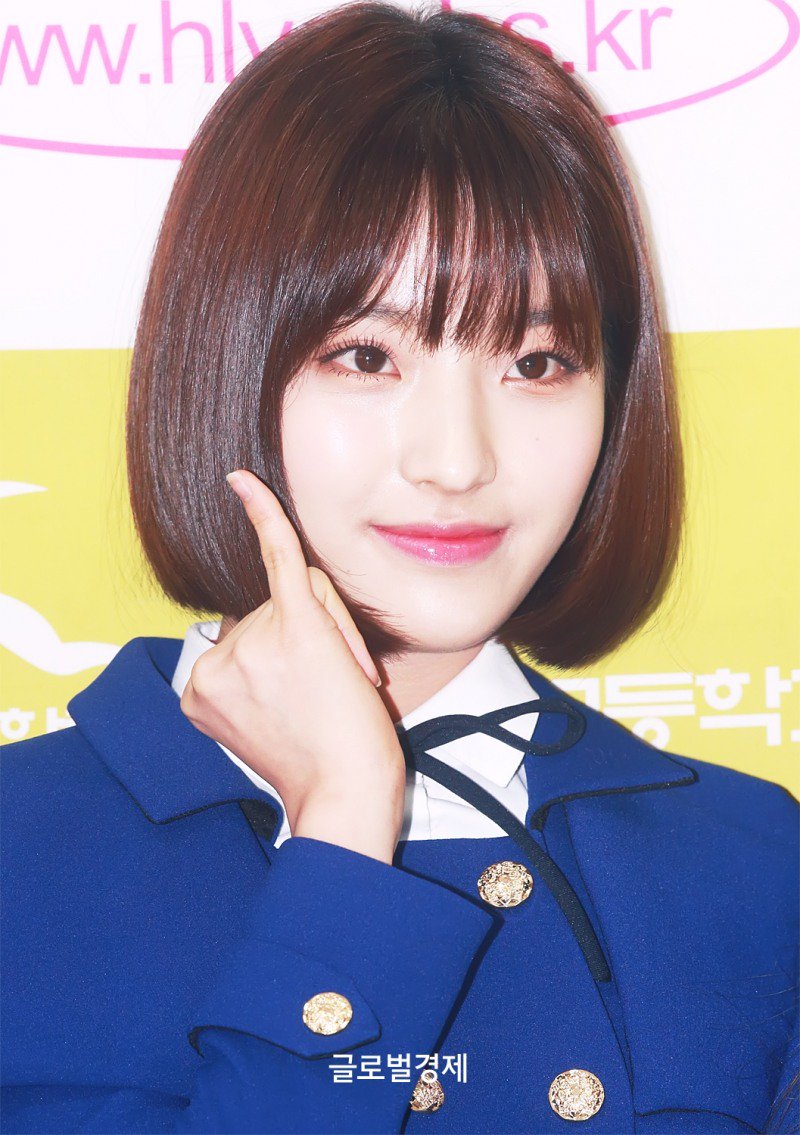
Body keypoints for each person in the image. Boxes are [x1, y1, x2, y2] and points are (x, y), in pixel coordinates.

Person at [1, 2, 797, 1132]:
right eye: (367, 355)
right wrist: (340, 831)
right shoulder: (24, 854)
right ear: (223, 360)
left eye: (537, 362)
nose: (458, 460)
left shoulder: (754, 867)